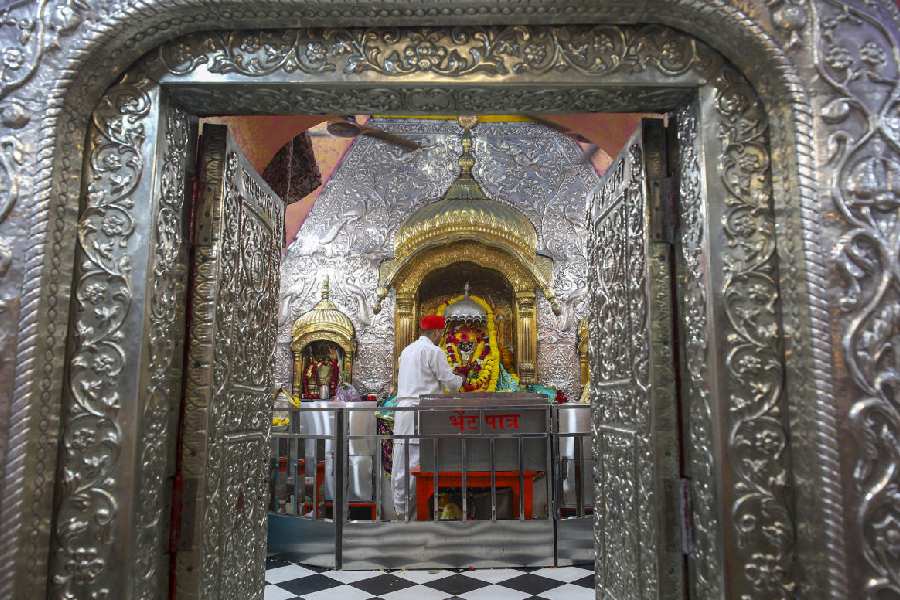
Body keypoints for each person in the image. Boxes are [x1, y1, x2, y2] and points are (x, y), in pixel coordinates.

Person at [391, 314, 466, 519]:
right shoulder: (434, 351)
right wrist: (461, 378)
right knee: (416, 463)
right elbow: (450, 382)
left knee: (401, 461)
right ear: (436, 332)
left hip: (403, 411)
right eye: (441, 332)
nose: (441, 336)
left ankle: (401, 512)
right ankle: (412, 516)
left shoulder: (407, 351)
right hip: (420, 411)